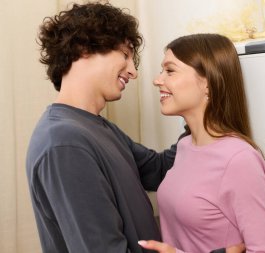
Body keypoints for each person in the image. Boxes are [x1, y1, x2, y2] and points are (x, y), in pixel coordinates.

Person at [26, 3, 176, 253]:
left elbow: (158, 170)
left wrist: (198, 117)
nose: (133, 71)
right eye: (125, 55)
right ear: (84, 48)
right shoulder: (65, 143)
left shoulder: (96, 127)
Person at [138, 34, 265, 253]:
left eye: (170, 71)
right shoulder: (185, 146)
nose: (157, 80)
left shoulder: (239, 159)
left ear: (207, 83)